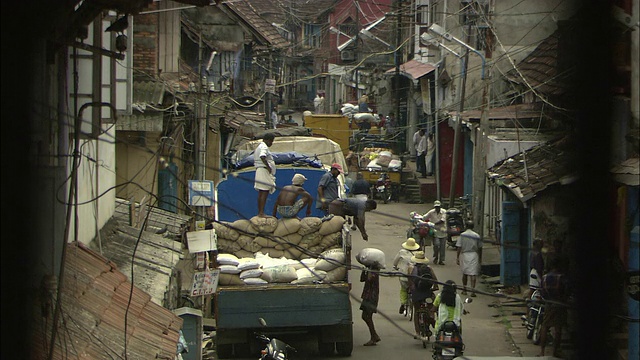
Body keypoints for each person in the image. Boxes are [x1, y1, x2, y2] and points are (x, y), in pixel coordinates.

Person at [538, 256, 570, 358]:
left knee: (545, 326)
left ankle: (542, 352)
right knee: (558, 328)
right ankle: (555, 351)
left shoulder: (544, 277)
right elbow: (567, 291)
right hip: (559, 305)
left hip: (548, 304)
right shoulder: (562, 277)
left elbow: (541, 292)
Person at [408, 251, 438, 340]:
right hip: (427, 293)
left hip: (416, 294)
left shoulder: (411, 268)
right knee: (431, 308)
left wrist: (411, 289)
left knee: (417, 312)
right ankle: (431, 319)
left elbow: (409, 281)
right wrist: (435, 287)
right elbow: (435, 280)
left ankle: (417, 332)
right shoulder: (429, 268)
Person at [392, 238, 420, 315]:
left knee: (403, 289)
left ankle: (403, 303)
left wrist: (395, 266)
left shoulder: (402, 252)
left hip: (403, 275)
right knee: (414, 289)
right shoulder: (417, 254)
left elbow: (395, 261)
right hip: (414, 276)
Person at [456, 221, 482, 296]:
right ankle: (473, 291)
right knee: (473, 274)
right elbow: (480, 247)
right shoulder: (476, 235)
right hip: (474, 255)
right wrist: (480, 258)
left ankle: (464, 289)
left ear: (466, 226)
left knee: (465, 273)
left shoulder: (462, 235)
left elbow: (459, 247)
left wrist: (457, 257)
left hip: (465, 255)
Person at [253, 133, 276, 217]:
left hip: (260, 170)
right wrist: (268, 167)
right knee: (264, 191)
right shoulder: (264, 147)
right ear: (268, 140)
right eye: (271, 141)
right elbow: (262, 156)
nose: (271, 143)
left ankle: (260, 212)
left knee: (261, 192)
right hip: (263, 170)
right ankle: (261, 213)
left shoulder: (260, 146)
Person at [360, 263, 381, 346]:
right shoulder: (369, 270)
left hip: (371, 297)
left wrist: (367, 271)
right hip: (367, 296)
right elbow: (362, 279)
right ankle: (374, 335)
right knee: (365, 316)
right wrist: (363, 271)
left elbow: (369, 279)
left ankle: (374, 336)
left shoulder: (374, 272)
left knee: (367, 316)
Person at [424, 200, 447, 265]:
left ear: (440, 207)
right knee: (436, 245)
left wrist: (433, 224)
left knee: (442, 247)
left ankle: (441, 260)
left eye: (438, 207)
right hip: (435, 232)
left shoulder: (444, 212)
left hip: (443, 231)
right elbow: (424, 217)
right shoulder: (431, 212)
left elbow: (442, 220)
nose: (437, 208)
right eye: (436, 207)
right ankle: (436, 257)